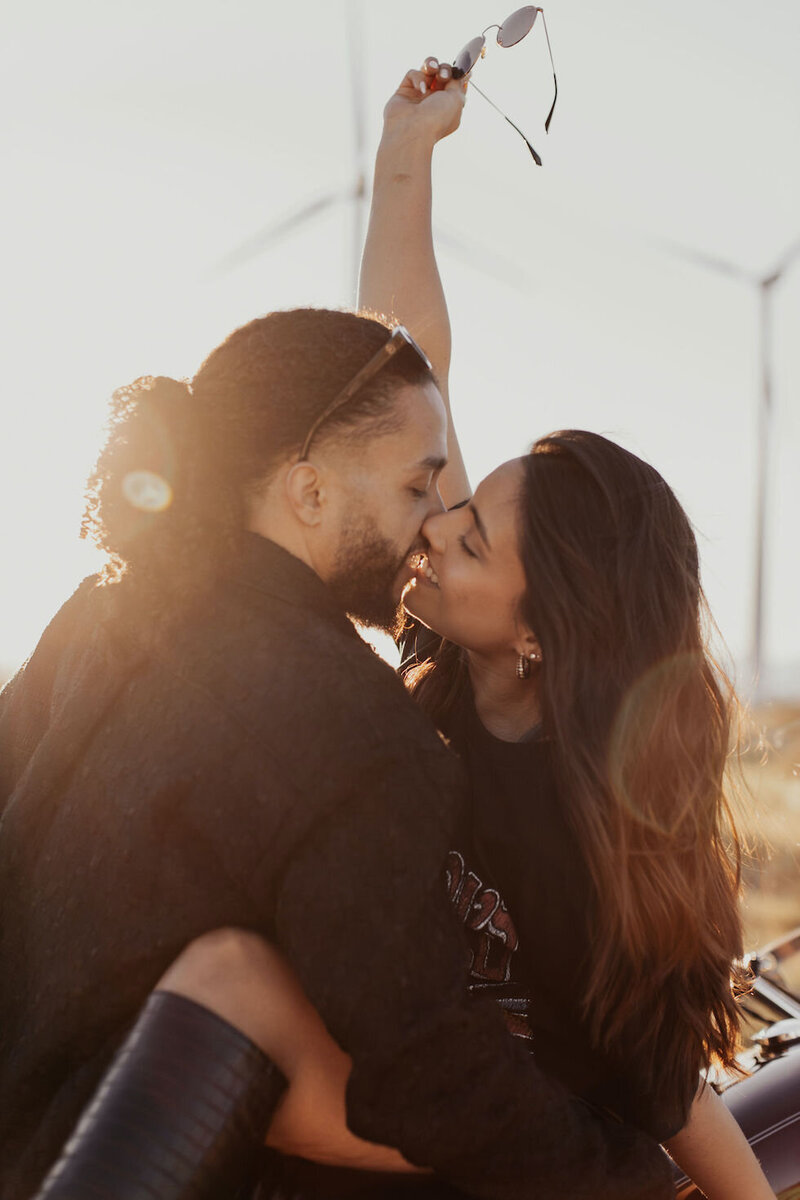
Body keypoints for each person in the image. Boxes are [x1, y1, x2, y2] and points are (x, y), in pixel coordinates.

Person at [43, 56, 774, 1200]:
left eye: (467, 532)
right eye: (442, 501)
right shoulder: (432, 654)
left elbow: (662, 1092)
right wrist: (403, 158)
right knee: (239, 998)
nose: (432, 530)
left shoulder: (600, 838)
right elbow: (398, 363)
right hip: (392, 1095)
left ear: (541, 635)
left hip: (505, 1138)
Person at [0, 297, 676, 1200]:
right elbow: (423, 1076)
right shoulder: (360, 728)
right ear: (310, 492)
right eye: (415, 487)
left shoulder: (99, 608)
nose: (433, 523)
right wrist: (628, 1174)